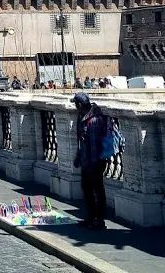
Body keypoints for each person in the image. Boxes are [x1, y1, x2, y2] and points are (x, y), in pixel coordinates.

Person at [72, 92, 113, 230]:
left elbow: (94, 145)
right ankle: (90, 217)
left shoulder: (94, 120)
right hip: (86, 160)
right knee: (87, 189)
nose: (74, 107)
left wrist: (92, 165)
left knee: (97, 190)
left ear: (79, 105)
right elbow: (82, 141)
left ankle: (99, 220)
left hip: (94, 162)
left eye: (75, 104)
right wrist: (79, 157)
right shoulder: (82, 116)